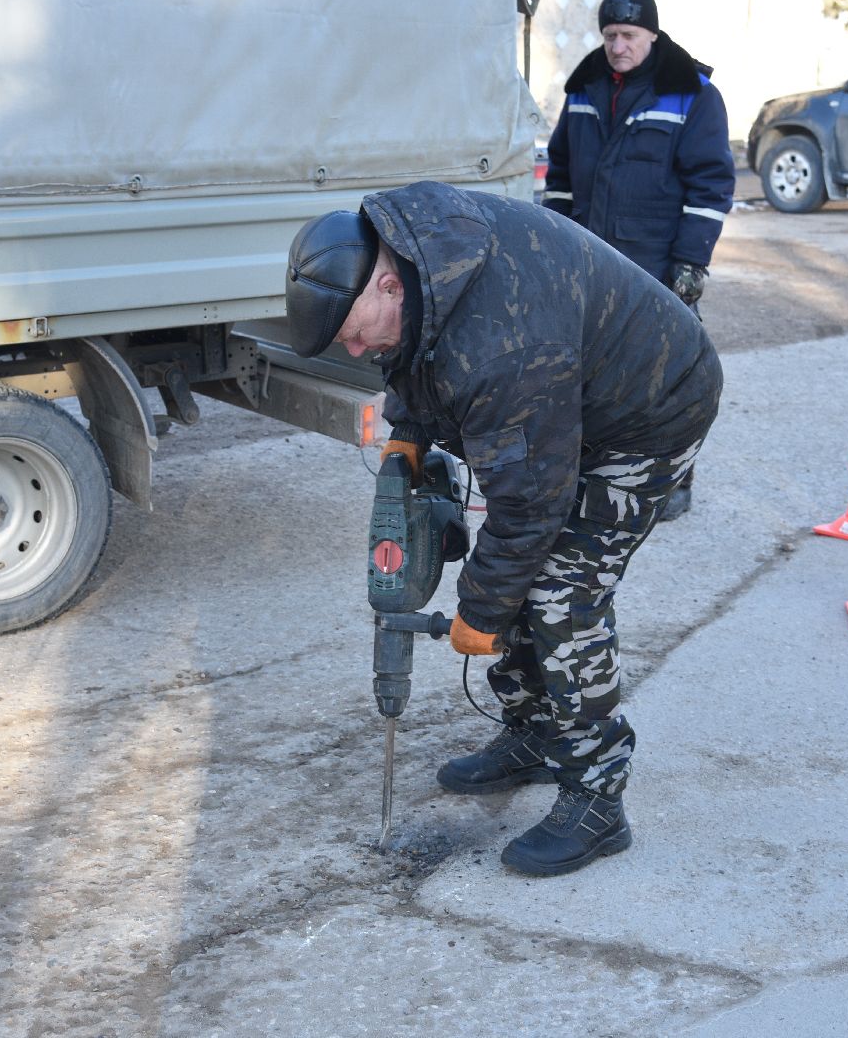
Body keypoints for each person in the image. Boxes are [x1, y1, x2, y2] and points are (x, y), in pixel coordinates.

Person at [284, 181, 722, 876]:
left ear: (388, 286)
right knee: (506, 575)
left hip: (650, 408)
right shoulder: (418, 255)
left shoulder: (501, 346)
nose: (358, 351)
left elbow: (529, 507)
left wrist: (482, 615)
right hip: (567, 392)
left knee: (557, 595)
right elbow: (416, 350)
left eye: (356, 333)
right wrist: (408, 433)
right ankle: (539, 734)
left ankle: (597, 798)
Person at [542, 0, 735, 521]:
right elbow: (559, 173)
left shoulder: (691, 94)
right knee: (587, 372)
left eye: (628, 36)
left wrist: (691, 265)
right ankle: (597, 474)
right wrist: (555, 240)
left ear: (652, 34)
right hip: (587, 258)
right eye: (609, 36)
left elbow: (711, 186)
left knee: (667, 378)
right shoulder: (584, 89)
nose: (617, 46)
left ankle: (674, 482)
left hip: (656, 264)